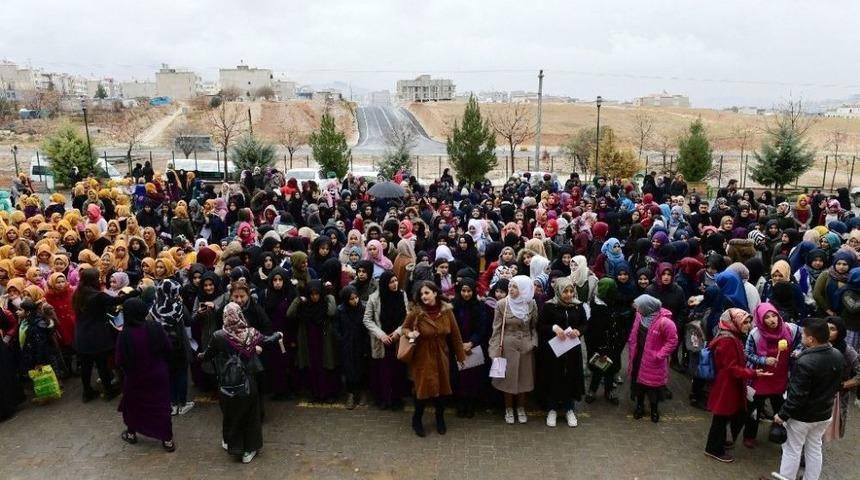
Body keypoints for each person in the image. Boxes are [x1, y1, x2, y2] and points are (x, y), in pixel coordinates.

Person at [198, 302, 282, 464]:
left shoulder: (219, 336)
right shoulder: (252, 334)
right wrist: (278, 335)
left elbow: (207, 355)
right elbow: (269, 340)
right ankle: (248, 449)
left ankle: (230, 442)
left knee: (230, 413)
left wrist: (200, 356)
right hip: (248, 381)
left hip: (226, 381)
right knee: (250, 415)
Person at [772, 318, 845, 480]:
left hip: (802, 417)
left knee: (792, 450)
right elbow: (839, 384)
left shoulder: (805, 361)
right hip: (824, 414)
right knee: (814, 448)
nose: (802, 337)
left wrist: (782, 415)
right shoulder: (838, 355)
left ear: (811, 339)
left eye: (804, 334)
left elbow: (797, 395)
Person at [703, 308, 772, 463]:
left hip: (729, 384)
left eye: (748, 322)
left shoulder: (731, 336)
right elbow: (731, 368)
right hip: (727, 385)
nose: (748, 325)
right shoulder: (728, 340)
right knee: (721, 418)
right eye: (745, 322)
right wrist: (753, 373)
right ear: (734, 322)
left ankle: (719, 442)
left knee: (727, 416)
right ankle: (713, 449)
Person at [401, 280, 466, 437]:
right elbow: (404, 327)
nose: (424, 296)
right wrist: (410, 334)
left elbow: (455, 335)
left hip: (441, 354)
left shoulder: (447, 311)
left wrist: (460, 355)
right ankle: (417, 419)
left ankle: (440, 418)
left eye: (427, 293)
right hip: (422, 355)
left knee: (442, 389)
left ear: (435, 293)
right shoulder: (416, 312)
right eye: (421, 294)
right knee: (422, 389)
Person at [116, 297, 175, 452]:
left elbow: (120, 359)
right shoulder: (155, 327)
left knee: (134, 406)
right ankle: (167, 440)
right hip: (158, 374)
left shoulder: (125, 334)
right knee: (161, 406)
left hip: (136, 377)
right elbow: (168, 348)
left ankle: (131, 433)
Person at [742, 303, 801, 447]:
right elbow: (747, 353)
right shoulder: (755, 334)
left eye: (773, 315)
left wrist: (797, 352)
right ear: (761, 320)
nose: (771, 320)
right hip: (761, 377)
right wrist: (764, 360)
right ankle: (749, 435)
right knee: (755, 409)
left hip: (781, 377)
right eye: (767, 317)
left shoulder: (790, 329)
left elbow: (802, 341)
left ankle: (779, 434)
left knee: (780, 408)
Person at [489, 275, 538, 425]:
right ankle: (509, 408)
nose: (511, 289)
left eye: (515, 287)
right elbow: (496, 329)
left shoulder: (531, 304)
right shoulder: (502, 304)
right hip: (507, 347)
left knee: (524, 379)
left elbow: (534, 326)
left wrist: (533, 343)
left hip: (525, 347)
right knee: (507, 380)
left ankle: (521, 408)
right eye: (510, 286)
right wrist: (494, 350)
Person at [72, 268, 126, 402]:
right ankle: (108, 391)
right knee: (102, 364)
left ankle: (87, 392)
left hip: (81, 335)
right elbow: (117, 301)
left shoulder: (78, 293)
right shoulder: (98, 295)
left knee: (86, 366)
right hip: (97, 336)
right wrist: (135, 292)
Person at [627, 294, 677, 423]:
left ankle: (654, 409)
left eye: (639, 307)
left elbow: (672, 341)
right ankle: (639, 406)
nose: (637, 309)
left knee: (653, 387)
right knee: (638, 383)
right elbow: (634, 332)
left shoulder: (665, 322)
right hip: (638, 356)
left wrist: (660, 355)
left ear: (647, 307)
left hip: (653, 361)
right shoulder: (640, 316)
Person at [362, 271, 409, 409]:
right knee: (383, 371)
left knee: (398, 371)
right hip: (381, 341)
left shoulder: (402, 295)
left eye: (395, 281)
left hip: (397, 339)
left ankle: (397, 398)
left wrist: (398, 332)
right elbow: (367, 319)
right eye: (391, 282)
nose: (394, 284)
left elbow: (407, 317)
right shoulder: (374, 298)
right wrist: (381, 334)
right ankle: (384, 399)